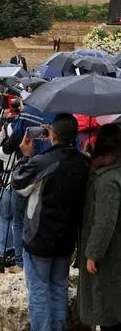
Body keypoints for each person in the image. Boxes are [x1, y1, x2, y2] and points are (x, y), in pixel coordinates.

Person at [12, 113, 89, 331]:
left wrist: (26, 157)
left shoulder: (43, 161)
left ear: (52, 134)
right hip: (67, 237)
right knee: (58, 289)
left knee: (38, 291)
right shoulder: (84, 161)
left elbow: (19, 185)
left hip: (39, 237)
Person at [79, 124, 121, 330]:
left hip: (111, 253)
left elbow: (105, 221)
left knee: (108, 308)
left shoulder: (107, 180)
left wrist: (92, 253)